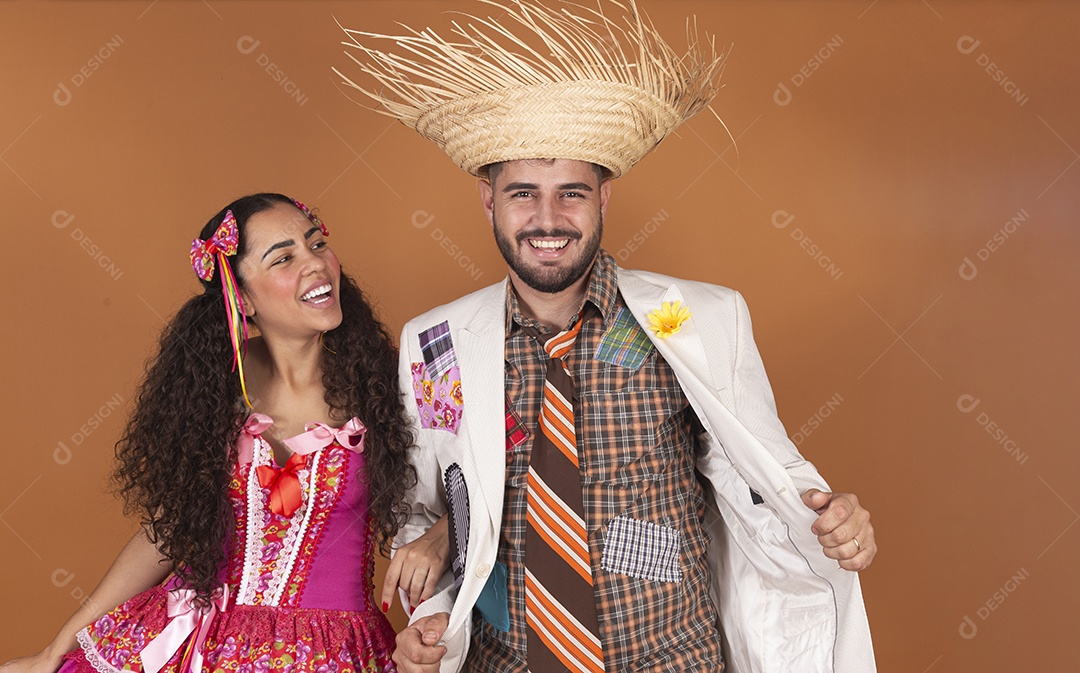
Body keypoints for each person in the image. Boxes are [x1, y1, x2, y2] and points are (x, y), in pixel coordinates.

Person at [338, 1, 877, 671]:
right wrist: (433, 613)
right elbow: (423, 508)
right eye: (523, 193)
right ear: (488, 201)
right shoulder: (438, 342)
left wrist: (830, 513)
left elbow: (766, 467)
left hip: (672, 658)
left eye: (571, 192)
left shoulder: (693, 318)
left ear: (604, 198)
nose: (548, 218)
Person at [0, 194, 448, 673]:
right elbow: (171, 529)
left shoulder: (398, 380)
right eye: (283, 258)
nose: (316, 264)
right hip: (198, 644)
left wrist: (441, 536)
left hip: (333, 652)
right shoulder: (215, 384)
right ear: (243, 298)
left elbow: (483, 485)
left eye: (317, 244)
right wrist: (54, 650)